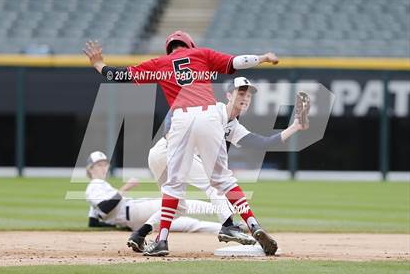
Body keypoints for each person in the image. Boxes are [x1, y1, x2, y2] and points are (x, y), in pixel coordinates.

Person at [83, 30, 281, 256]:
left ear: (170, 48)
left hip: (181, 118)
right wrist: (263, 58)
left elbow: (120, 75)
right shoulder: (202, 54)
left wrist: (99, 64)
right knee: (224, 181)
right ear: (189, 44)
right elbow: (237, 61)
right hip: (209, 115)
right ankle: (253, 225)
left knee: (174, 186)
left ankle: (162, 240)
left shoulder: (160, 63)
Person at [128, 77, 310, 252]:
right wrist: (169, 133)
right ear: (229, 96)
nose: (245, 98)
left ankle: (140, 234)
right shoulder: (212, 109)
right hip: (167, 150)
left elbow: (263, 143)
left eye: (248, 95)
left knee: (177, 206)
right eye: (240, 93)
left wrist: (295, 126)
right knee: (215, 184)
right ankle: (228, 226)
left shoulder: (233, 126)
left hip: (160, 155)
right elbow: (175, 108)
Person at [85, 151, 234, 235]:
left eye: (105, 164)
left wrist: (118, 223)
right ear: (90, 169)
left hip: (133, 221)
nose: (103, 168)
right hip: (135, 211)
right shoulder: (95, 185)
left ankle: (235, 228)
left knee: (188, 224)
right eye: (98, 165)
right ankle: (230, 216)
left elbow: (94, 222)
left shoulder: (100, 187)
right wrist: (125, 188)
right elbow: (106, 207)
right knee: (184, 205)